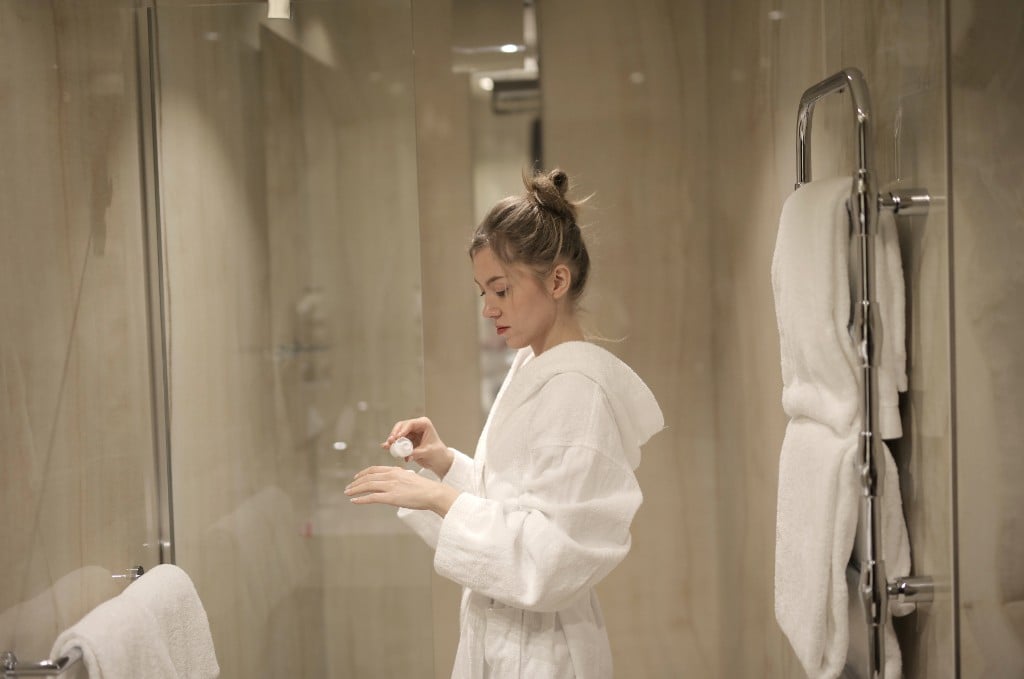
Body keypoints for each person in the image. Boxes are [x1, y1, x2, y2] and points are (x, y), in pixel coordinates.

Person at [344, 168, 664, 679]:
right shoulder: (535, 365)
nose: (489, 309)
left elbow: (552, 560)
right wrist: (446, 466)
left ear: (557, 280)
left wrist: (437, 498)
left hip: (545, 655)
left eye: (501, 290)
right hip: (508, 641)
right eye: (482, 293)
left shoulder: (579, 391)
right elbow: (518, 503)